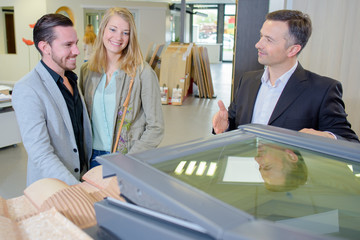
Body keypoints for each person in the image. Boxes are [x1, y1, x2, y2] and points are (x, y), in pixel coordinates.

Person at [212, 9, 359, 143]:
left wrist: (325, 138)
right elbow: (233, 123)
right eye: (261, 36)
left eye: (269, 40)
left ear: (292, 50)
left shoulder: (322, 90)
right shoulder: (247, 80)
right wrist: (225, 127)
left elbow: (349, 142)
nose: (258, 44)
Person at [12, 14, 92, 186]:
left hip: (83, 179)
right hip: (54, 188)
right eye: (68, 45)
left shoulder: (71, 79)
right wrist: (76, 189)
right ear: (45, 47)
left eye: (76, 43)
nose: (77, 51)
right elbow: (40, 153)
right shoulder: (27, 88)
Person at [79, 7, 164, 168]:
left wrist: (130, 159)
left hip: (126, 157)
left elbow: (156, 127)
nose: (118, 37)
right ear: (103, 29)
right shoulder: (88, 71)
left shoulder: (143, 73)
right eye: (113, 29)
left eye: (125, 32)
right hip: (92, 157)